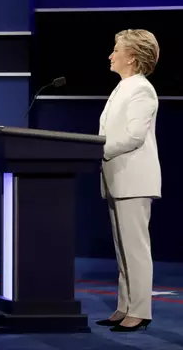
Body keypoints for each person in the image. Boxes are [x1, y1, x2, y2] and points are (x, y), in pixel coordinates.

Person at [96, 29, 160, 332]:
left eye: (116, 50)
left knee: (135, 248)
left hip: (133, 179)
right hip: (118, 178)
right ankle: (125, 306)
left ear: (131, 57)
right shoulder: (124, 87)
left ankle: (140, 310)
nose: (111, 55)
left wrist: (98, 149)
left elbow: (134, 136)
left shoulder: (141, 89)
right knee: (122, 249)